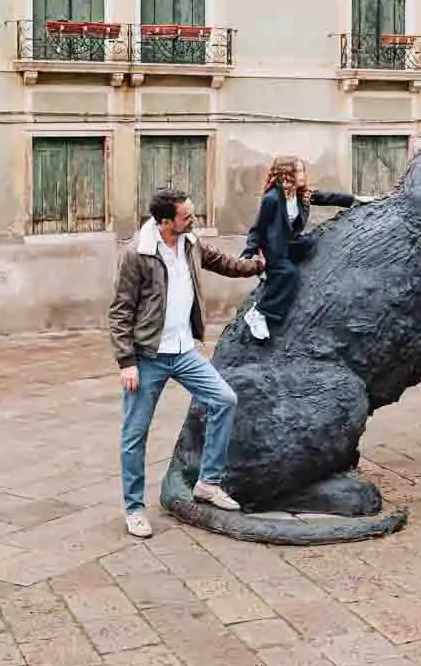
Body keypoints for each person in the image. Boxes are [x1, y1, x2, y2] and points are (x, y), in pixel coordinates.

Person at [108, 186, 264, 539]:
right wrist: (126, 361)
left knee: (224, 399)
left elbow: (223, 262)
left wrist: (257, 266)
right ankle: (134, 509)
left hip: (183, 351)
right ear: (165, 222)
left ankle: (208, 482)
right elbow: (119, 312)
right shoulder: (138, 254)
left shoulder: (190, 242)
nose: (193, 219)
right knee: (135, 434)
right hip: (147, 357)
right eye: (186, 216)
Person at [238, 155, 367, 341]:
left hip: (290, 243)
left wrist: (355, 200)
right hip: (274, 249)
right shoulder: (272, 198)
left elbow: (326, 197)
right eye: (298, 171)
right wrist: (249, 253)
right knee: (288, 273)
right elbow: (258, 228)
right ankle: (259, 312)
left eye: (302, 170)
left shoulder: (300, 196)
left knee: (312, 243)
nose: (303, 175)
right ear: (286, 175)